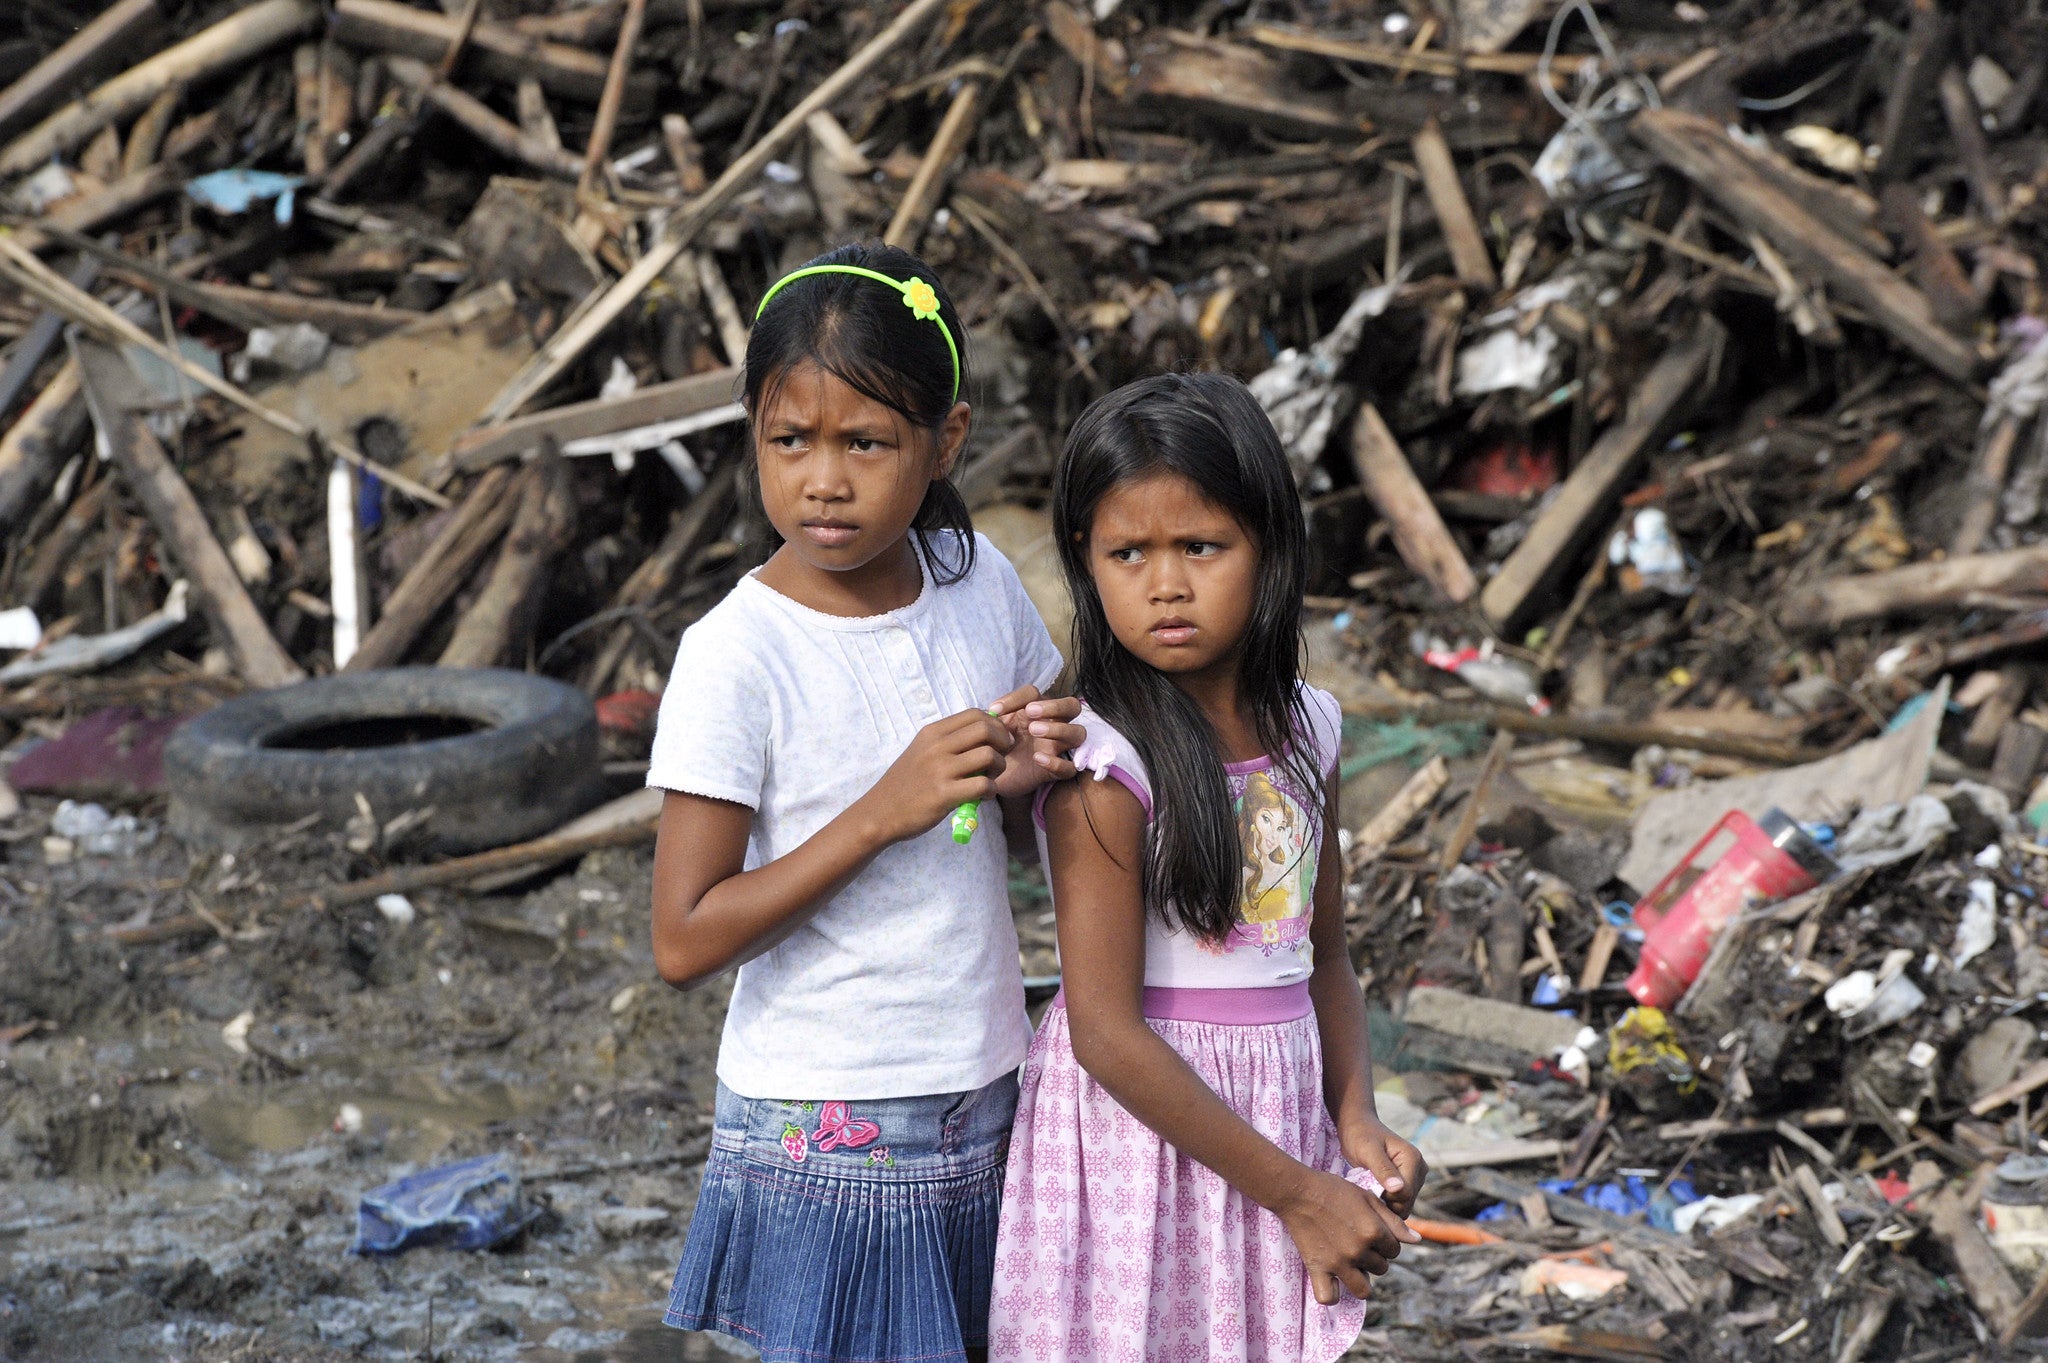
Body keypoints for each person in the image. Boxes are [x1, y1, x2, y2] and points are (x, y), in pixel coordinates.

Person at [646, 241, 1086, 1363]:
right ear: (750, 425)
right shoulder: (736, 655)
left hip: (982, 1080)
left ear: (945, 441)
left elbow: (1024, 773)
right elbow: (684, 938)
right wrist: (880, 812)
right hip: (826, 1120)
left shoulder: (973, 580)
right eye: (789, 439)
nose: (822, 480)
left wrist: (1024, 763)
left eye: (865, 443)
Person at [989, 373, 1427, 1362]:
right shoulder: (1104, 764)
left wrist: (1354, 1123)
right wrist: (1297, 1190)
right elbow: (1103, 1033)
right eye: (1127, 552)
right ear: (1084, 563)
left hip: (1276, 1120)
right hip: (1139, 1140)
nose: (1165, 583)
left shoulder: (1310, 730)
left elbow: (1323, 960)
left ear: (1267, 547)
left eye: (1200, 546)